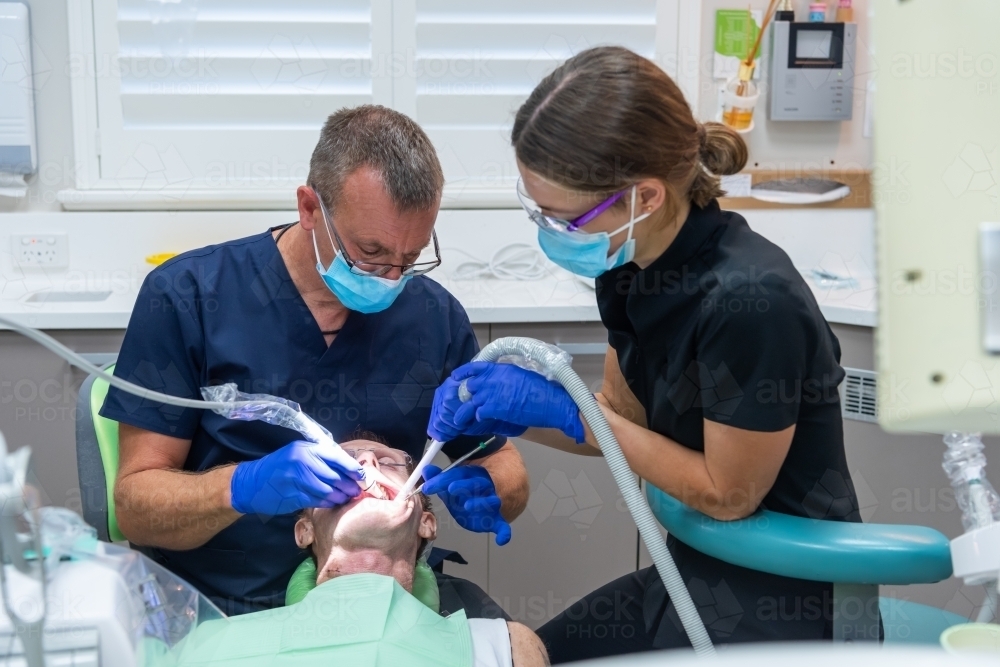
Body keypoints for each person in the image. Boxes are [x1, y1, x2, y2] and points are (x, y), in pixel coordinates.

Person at [429, 46, 866, 661]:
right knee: (529, 657)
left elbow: (727, 492)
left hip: (784, 591)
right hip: (699, 571)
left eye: (565, 218)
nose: (550, 233)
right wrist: (515, 418)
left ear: (646, 197)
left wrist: (569, 409)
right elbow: (622, 422)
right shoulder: (629, 266)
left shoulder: (750, 302)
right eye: (538, 211)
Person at [101, 105, 529, 615]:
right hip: (228, 605)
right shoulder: (188, 296)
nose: (391, 278)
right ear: (310, 208)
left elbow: (502, 464)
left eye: (410, 259)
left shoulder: (433, 318)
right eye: (369, 254)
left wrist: (493, 489)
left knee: (514, 647)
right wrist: (240, 486)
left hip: (396, 597)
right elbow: (135, 509)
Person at [171, 435, 549, 667]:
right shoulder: (209, 645)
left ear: (426, 523)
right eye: (342, 466)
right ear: (304, 530)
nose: (366, 462)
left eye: (387, 462)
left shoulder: (506, 646)